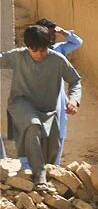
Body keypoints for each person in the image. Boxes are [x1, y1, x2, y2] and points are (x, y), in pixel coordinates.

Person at [1, 25, 82, 189]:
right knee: (33, 125)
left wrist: (74, 100)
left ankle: (47, 173)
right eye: (35, 51)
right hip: (20, 103)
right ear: (27, 47)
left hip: (48, 109)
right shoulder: (17, 56)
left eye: (43, 50)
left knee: (53, 146)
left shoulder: (57, 60)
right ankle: (39, 174)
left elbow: (75, 81)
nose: (39, 55)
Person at [35, 19, 84, 166]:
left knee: (59, 132)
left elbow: (78, 42)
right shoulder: (32, 52)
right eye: (49, 34)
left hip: (58, 97)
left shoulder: (58, 49)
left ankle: (54, 167)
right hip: (37, 97)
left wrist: (63, 32)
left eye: (53, 34)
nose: (52, 37)